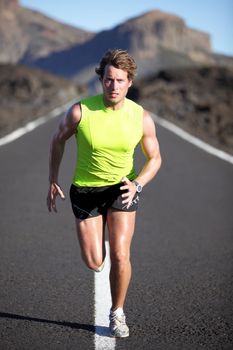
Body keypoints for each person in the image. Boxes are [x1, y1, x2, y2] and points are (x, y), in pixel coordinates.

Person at [47, 49, 162, 338]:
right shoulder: (80, 111)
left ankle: (117, 313)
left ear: (129, 83)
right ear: (101, 79)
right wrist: (52, 179)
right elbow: (57, 140)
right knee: (95, 261)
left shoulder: (141, 117)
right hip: (85, 190)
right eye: (109, 80)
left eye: (120, 81)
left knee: (121, 254)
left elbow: (155, 158)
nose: (114, 86)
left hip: (122, 188)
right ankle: (98, 249)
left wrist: (138, 184)